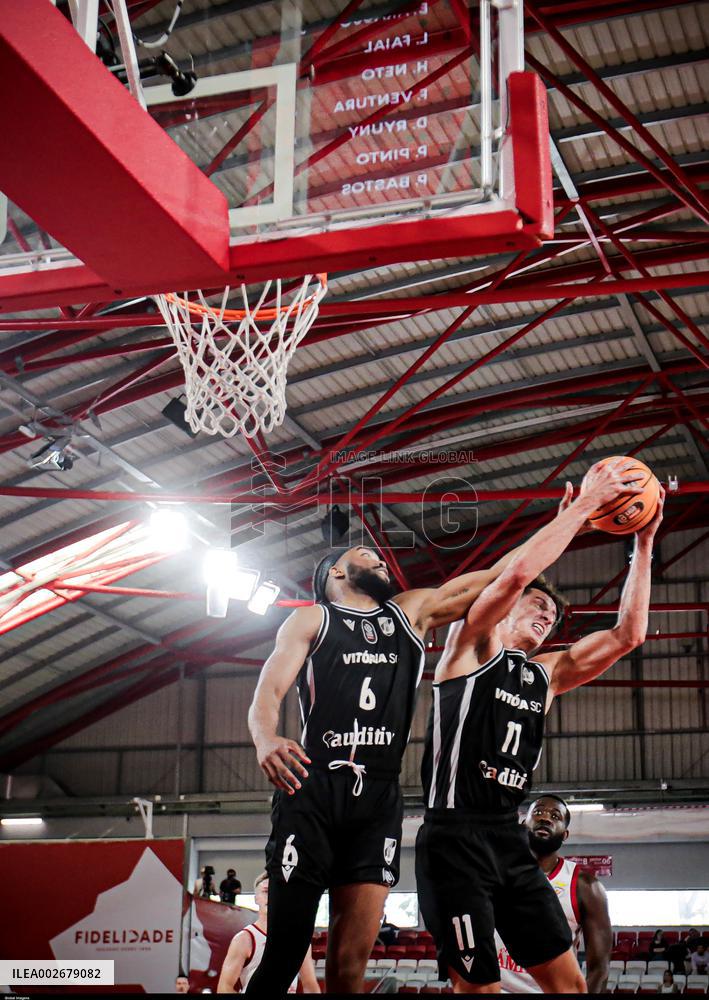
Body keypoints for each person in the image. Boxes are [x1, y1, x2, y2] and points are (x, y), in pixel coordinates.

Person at [246, 522, 564, 995]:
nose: (378, 557)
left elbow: (508, 574)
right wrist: (266, 738)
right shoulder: (313, 618)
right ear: (335, 571)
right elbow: (269, 689)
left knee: (350, 962)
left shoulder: (410, 612)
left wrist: (573, 515)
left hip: (377, 799)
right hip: (313, 788)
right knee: (287, 950)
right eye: (363, 553)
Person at [415, 461, 663, 994]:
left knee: (569, 987)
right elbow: (516, 574)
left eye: (553, 614)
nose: (547, 614)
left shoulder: (545, 675)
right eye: (537, 605)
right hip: (453, 836)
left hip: (508, 837)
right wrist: (581, 508)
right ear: (501, 612)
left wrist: (642, 545)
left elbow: (629, 635)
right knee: (476, 988)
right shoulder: (470, 646)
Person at [494, 794, 612, 993]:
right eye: (538, 812)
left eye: (555, 816)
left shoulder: (585, 886)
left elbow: (599, 969)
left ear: (565, 834)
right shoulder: (494, 872)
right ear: (524, 824)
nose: (545, 818)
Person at [217, 872, 320, 994]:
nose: (271, 896)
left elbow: (310, 985)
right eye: (266, 891)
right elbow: (224, 988)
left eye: (276, 892)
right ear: (256, 898)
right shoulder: (244, 939)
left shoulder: (299, 939)